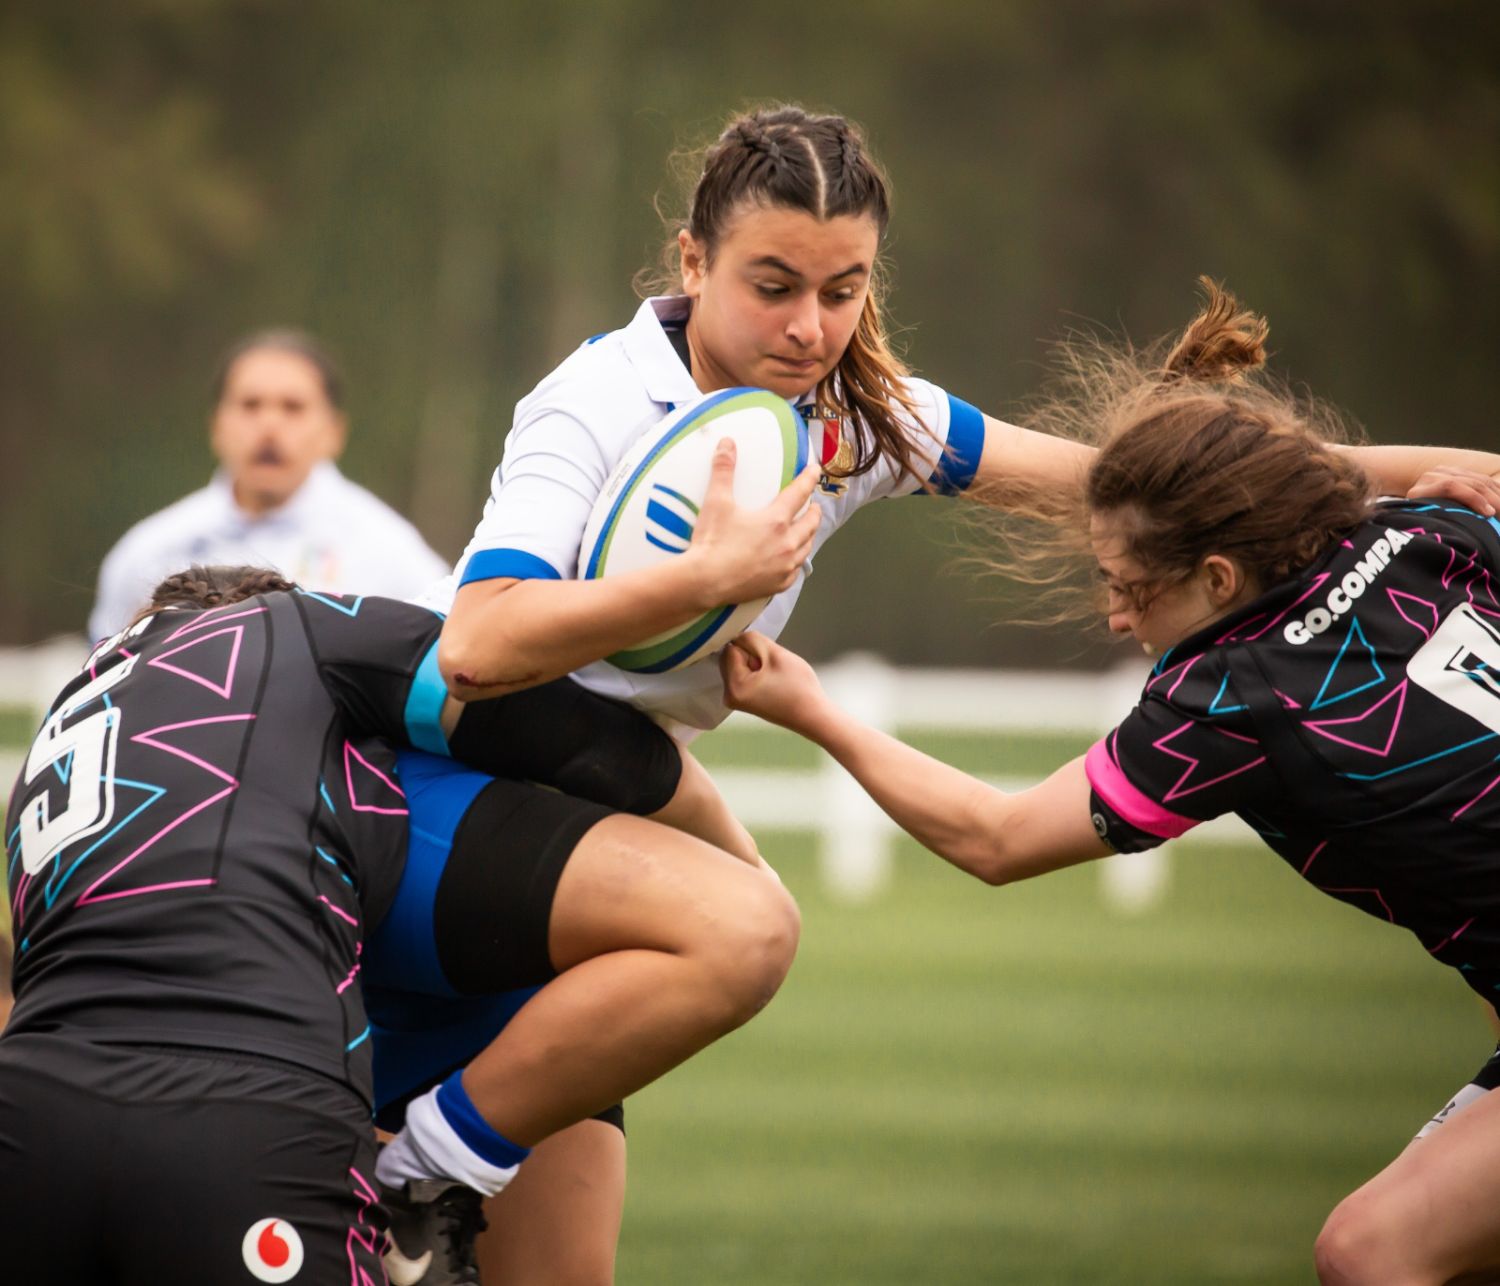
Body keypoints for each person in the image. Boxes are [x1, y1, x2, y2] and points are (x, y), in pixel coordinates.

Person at [409, 104, 1500, 1283]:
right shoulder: (597, 402)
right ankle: (421, 1162)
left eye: (844, 289)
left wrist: (1408, 469)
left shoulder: (865, 417)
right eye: (773, 285)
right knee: (746, 927)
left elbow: (1148, 493)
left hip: (601, 813)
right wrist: (707, 577)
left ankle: (432, 1161)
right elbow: (477, 644)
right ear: (691, 261)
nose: (811, 326)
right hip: (480, 797)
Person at [721, 281, 1500, 1285]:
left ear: (1219, 579)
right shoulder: (1424, 536)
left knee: (1372, 1250)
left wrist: (816, 711)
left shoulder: (1230, 694)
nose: (1115, 618)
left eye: (1131, 588)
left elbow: (996, 838)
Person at [1, 561, 799, 1282]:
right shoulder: (295, 626)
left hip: (31, 1117)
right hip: (250, 1109)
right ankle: (424, 1168)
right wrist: (734, 847)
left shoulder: (58, 752)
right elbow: (519, 704)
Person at [87, 330, 449, 642]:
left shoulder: (392, 555)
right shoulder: (148, 553)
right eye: (250, 405)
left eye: (293, 407)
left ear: (334, 432)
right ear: (216, 425)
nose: (269, 424)